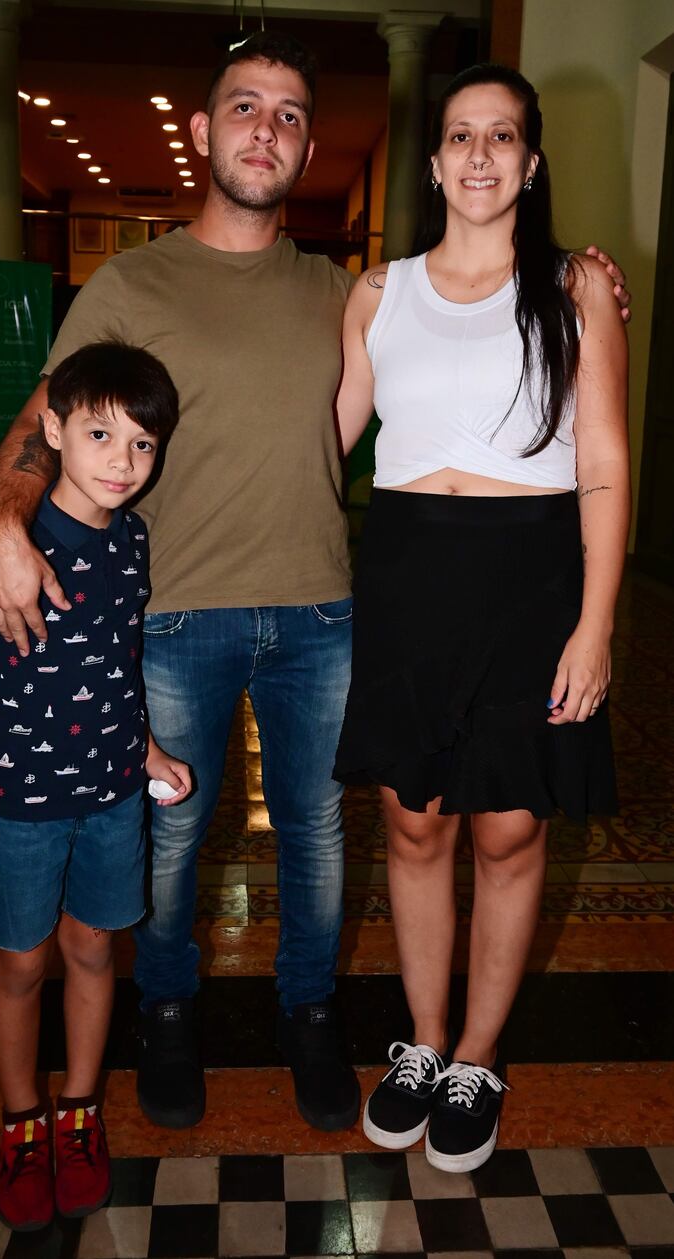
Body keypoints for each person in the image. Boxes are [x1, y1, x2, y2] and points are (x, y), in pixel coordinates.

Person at [0, 34, 631, 1136]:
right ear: (203, 130)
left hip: (338, 606)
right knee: (196, 833)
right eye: (245, 107)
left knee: (339, 834)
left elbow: (537, 425)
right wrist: (5, 517)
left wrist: (591, 286)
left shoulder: (355, 288)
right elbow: (55, 418)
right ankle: (176, 1012)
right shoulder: (185, 284)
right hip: (203, 603)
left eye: (288, 114)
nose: (265, 130)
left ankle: (330, 1019)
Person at [333, 62, 630, 1173]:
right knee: (414, 821)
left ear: (530, 161)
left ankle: (476, 1052)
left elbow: (603, 461)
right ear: (433, 161)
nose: (478, 154)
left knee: (509, 826)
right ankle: (421, 1040)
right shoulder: (379, 292)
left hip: (531, 582)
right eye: (460, 134)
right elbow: (319, 445)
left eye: (500, 135)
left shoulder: (574, 287)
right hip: (408, 579)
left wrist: (595, 624)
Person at [0, 341, 191, 1231]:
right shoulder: (4, 548)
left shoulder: (133, 538)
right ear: (51, 429)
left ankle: (79, 1112)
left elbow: (119, 661)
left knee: (92, 950)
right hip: (16, 804)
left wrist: (147, 749)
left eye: (143, 444)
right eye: (99, 434)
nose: (123, 462)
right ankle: (22, 1121)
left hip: (113, 796)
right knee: (19, 963)